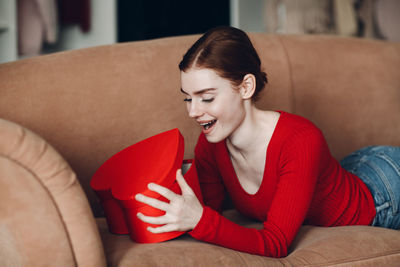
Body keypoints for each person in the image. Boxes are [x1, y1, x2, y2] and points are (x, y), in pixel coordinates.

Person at [135, 26, 400, 258]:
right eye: (188, 98)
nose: (193, 111)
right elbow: (205, 210)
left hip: (384, 193)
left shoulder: (300, 140)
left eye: (206, 98)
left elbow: (275, 243)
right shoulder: (211, 143)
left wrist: (200, 219)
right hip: (352, 168)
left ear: (246, 88)